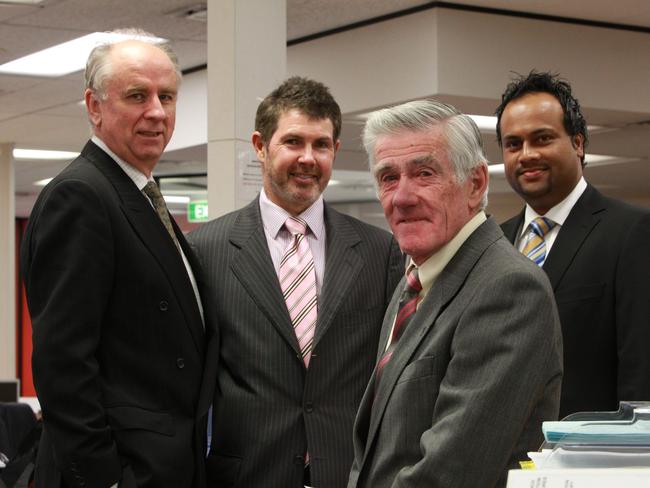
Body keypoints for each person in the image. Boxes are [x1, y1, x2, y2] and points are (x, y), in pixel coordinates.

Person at [189, 76, 403, 488]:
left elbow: (389, 379)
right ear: (260, 146)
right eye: (293, 142)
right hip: (246, 476)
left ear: (335, 151)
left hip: (349, 474)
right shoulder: (206, 251)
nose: (308, 157)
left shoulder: (380, 252)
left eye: (321, 145)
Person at [20, 29, 212, 488]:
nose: (157, 112)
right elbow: (63, 362)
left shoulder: (138, 194)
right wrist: (104, 478)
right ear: (94, 106)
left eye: (167, 96)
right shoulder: (81, 196)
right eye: (136, 95)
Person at [348, 99, 563, 488]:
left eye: (424, 173)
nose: (402, 197)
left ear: (475, 183)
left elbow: (450, 473)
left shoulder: (508, 289)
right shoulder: (413, 280)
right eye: (388, 177)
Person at [497, 71, 650, 419]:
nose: (526, 154)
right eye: (513, 144)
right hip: (501, 464)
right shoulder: (495, 244)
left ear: (578, 143)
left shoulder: (632, 233)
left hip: (588, 460)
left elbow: (642, 371)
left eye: (542, 138)